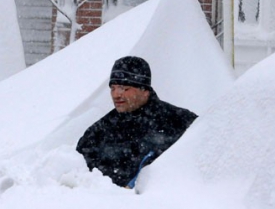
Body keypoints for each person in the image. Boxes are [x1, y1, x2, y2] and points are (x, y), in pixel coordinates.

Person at [76, 56, 197, 188]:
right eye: (113, 88)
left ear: (144, 90)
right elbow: (76, 174)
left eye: (123, 88)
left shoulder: (180, 121)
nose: (116, 94)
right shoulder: (99, 132)